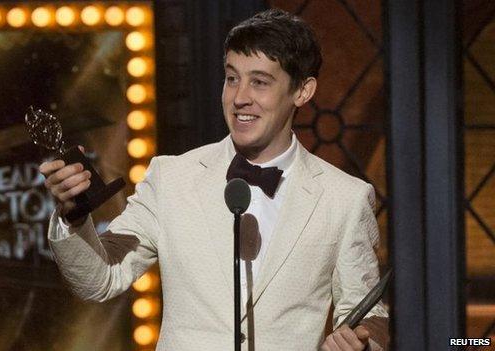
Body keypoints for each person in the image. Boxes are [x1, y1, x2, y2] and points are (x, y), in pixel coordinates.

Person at [39, 9, 389, 351]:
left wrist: (362, 340)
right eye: (232, 78)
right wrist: (75, 215)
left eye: (260, 82)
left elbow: (369, 314)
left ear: (302, 91)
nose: (239, 98)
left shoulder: (345, 198)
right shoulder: (171, 178)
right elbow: (101, 279)